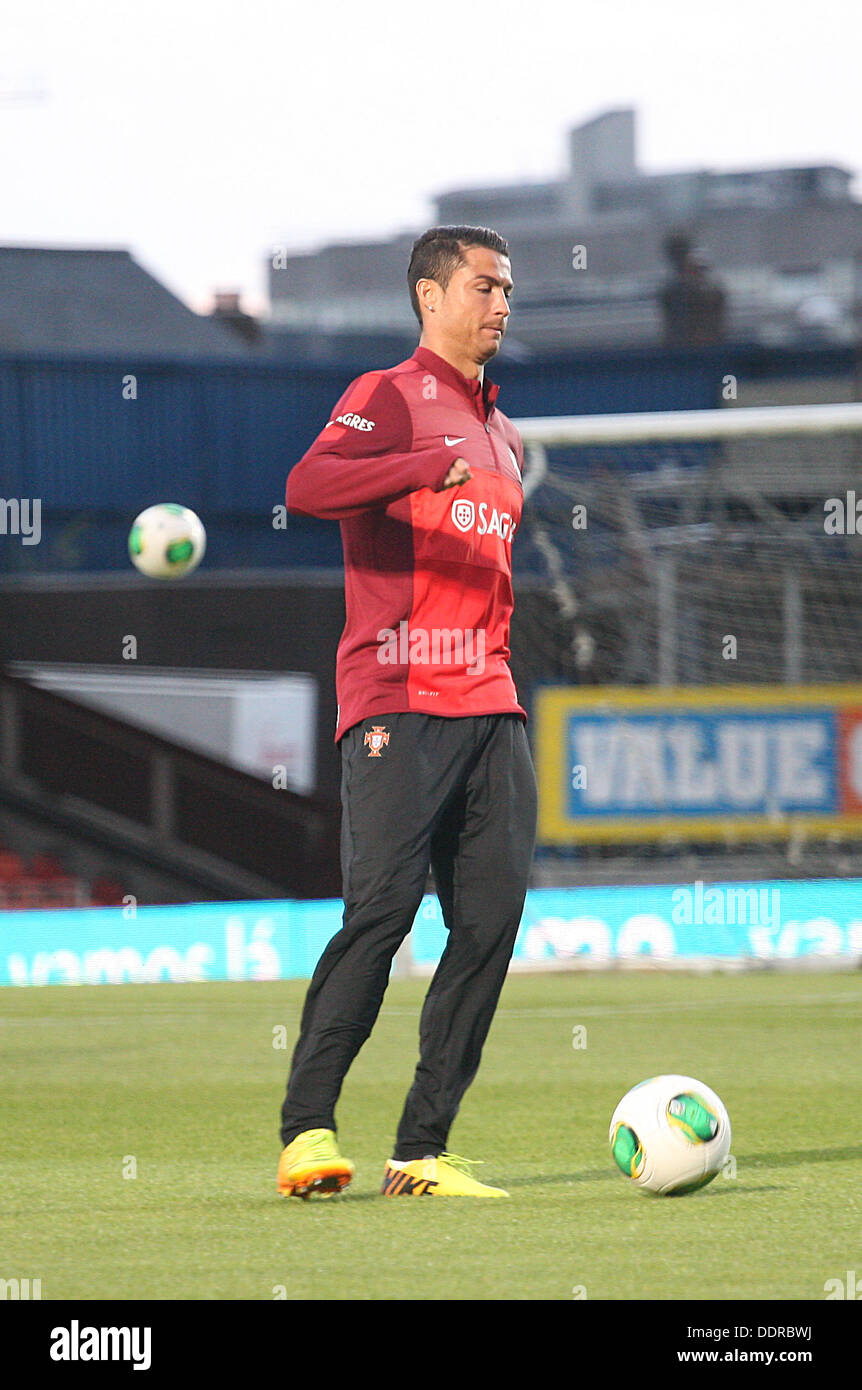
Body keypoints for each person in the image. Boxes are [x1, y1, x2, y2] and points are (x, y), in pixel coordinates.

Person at [277, 225, 537, 1199]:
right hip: (397, 692)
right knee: (382, 910)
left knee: (492, 918)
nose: (500, 304)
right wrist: (413, 468)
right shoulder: (386, 396)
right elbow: (306, 487)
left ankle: (420, 1150)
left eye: (507, 289)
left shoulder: (505, 434)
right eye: (484, 285)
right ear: (430, 296)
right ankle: (306, 1131)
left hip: (490, 700)